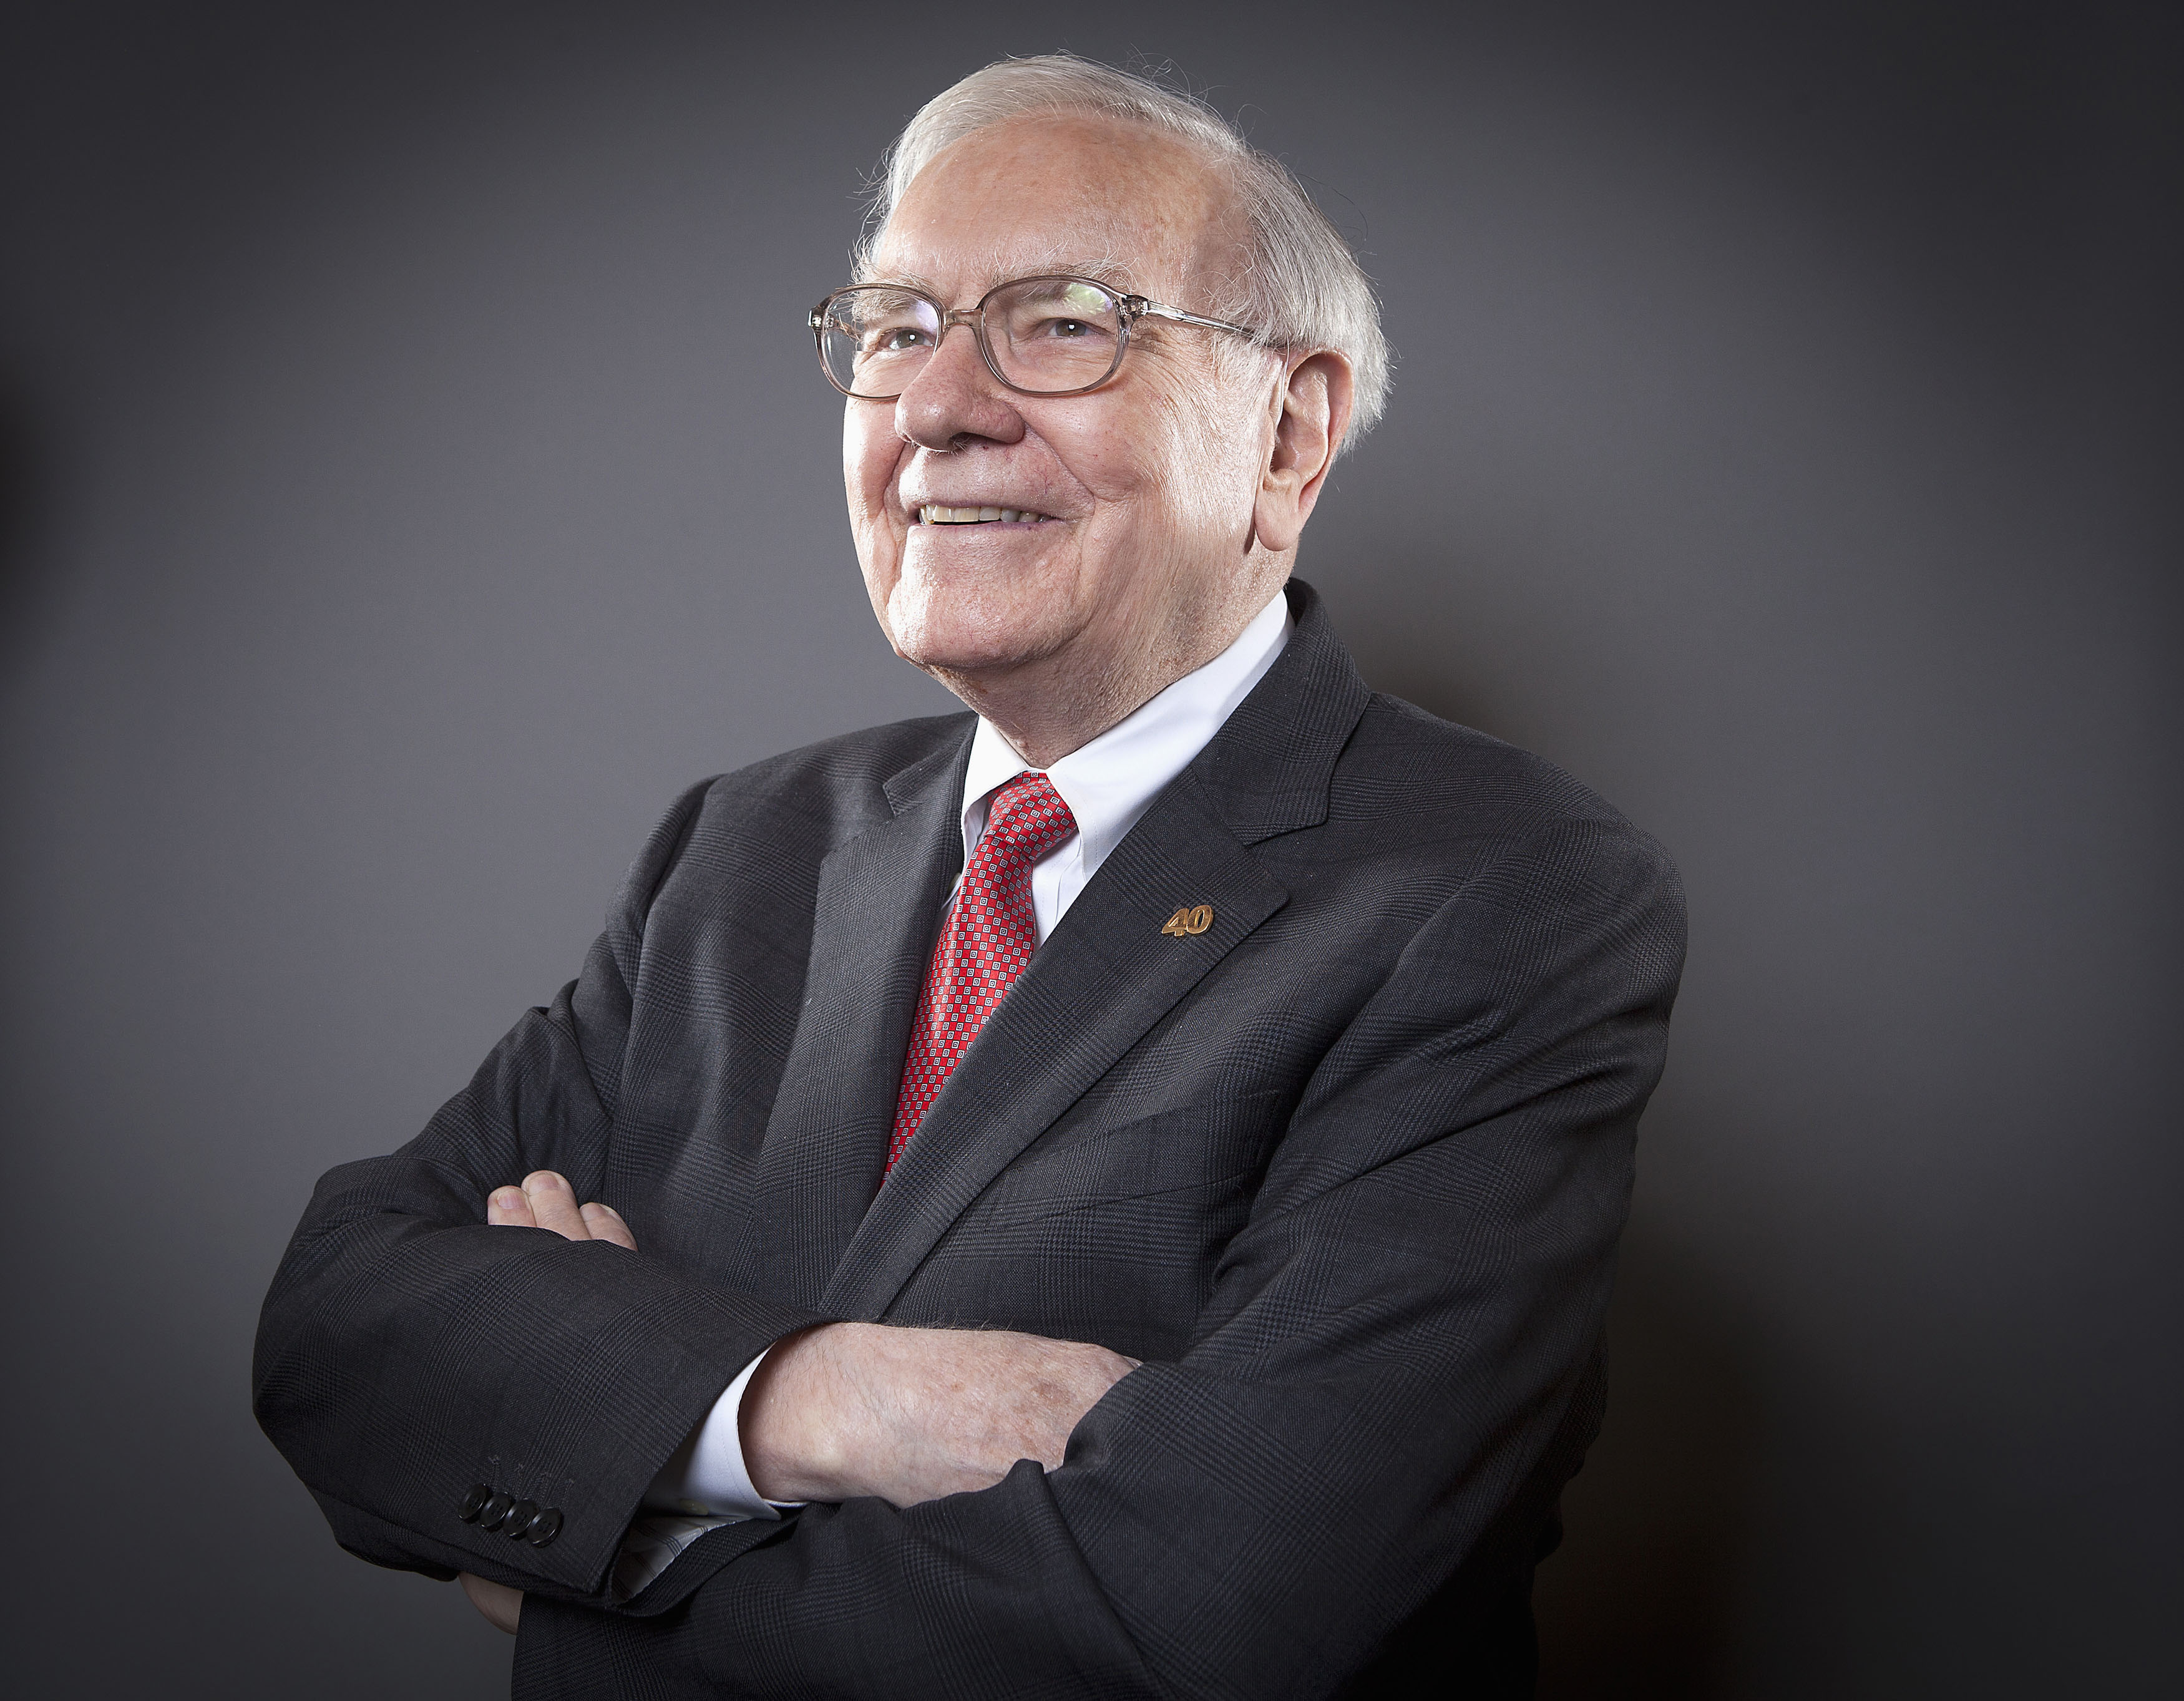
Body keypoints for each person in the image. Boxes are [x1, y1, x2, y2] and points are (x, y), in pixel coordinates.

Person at [255, 54, 1684, 1700]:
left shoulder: (1505, 890)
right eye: (894, 328)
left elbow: (1230, 1598)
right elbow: (335, 1329)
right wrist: (821, 1398)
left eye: (1062, 320)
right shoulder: (744, 847)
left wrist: (605, 1542)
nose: (938, 405)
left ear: (1288, 433)